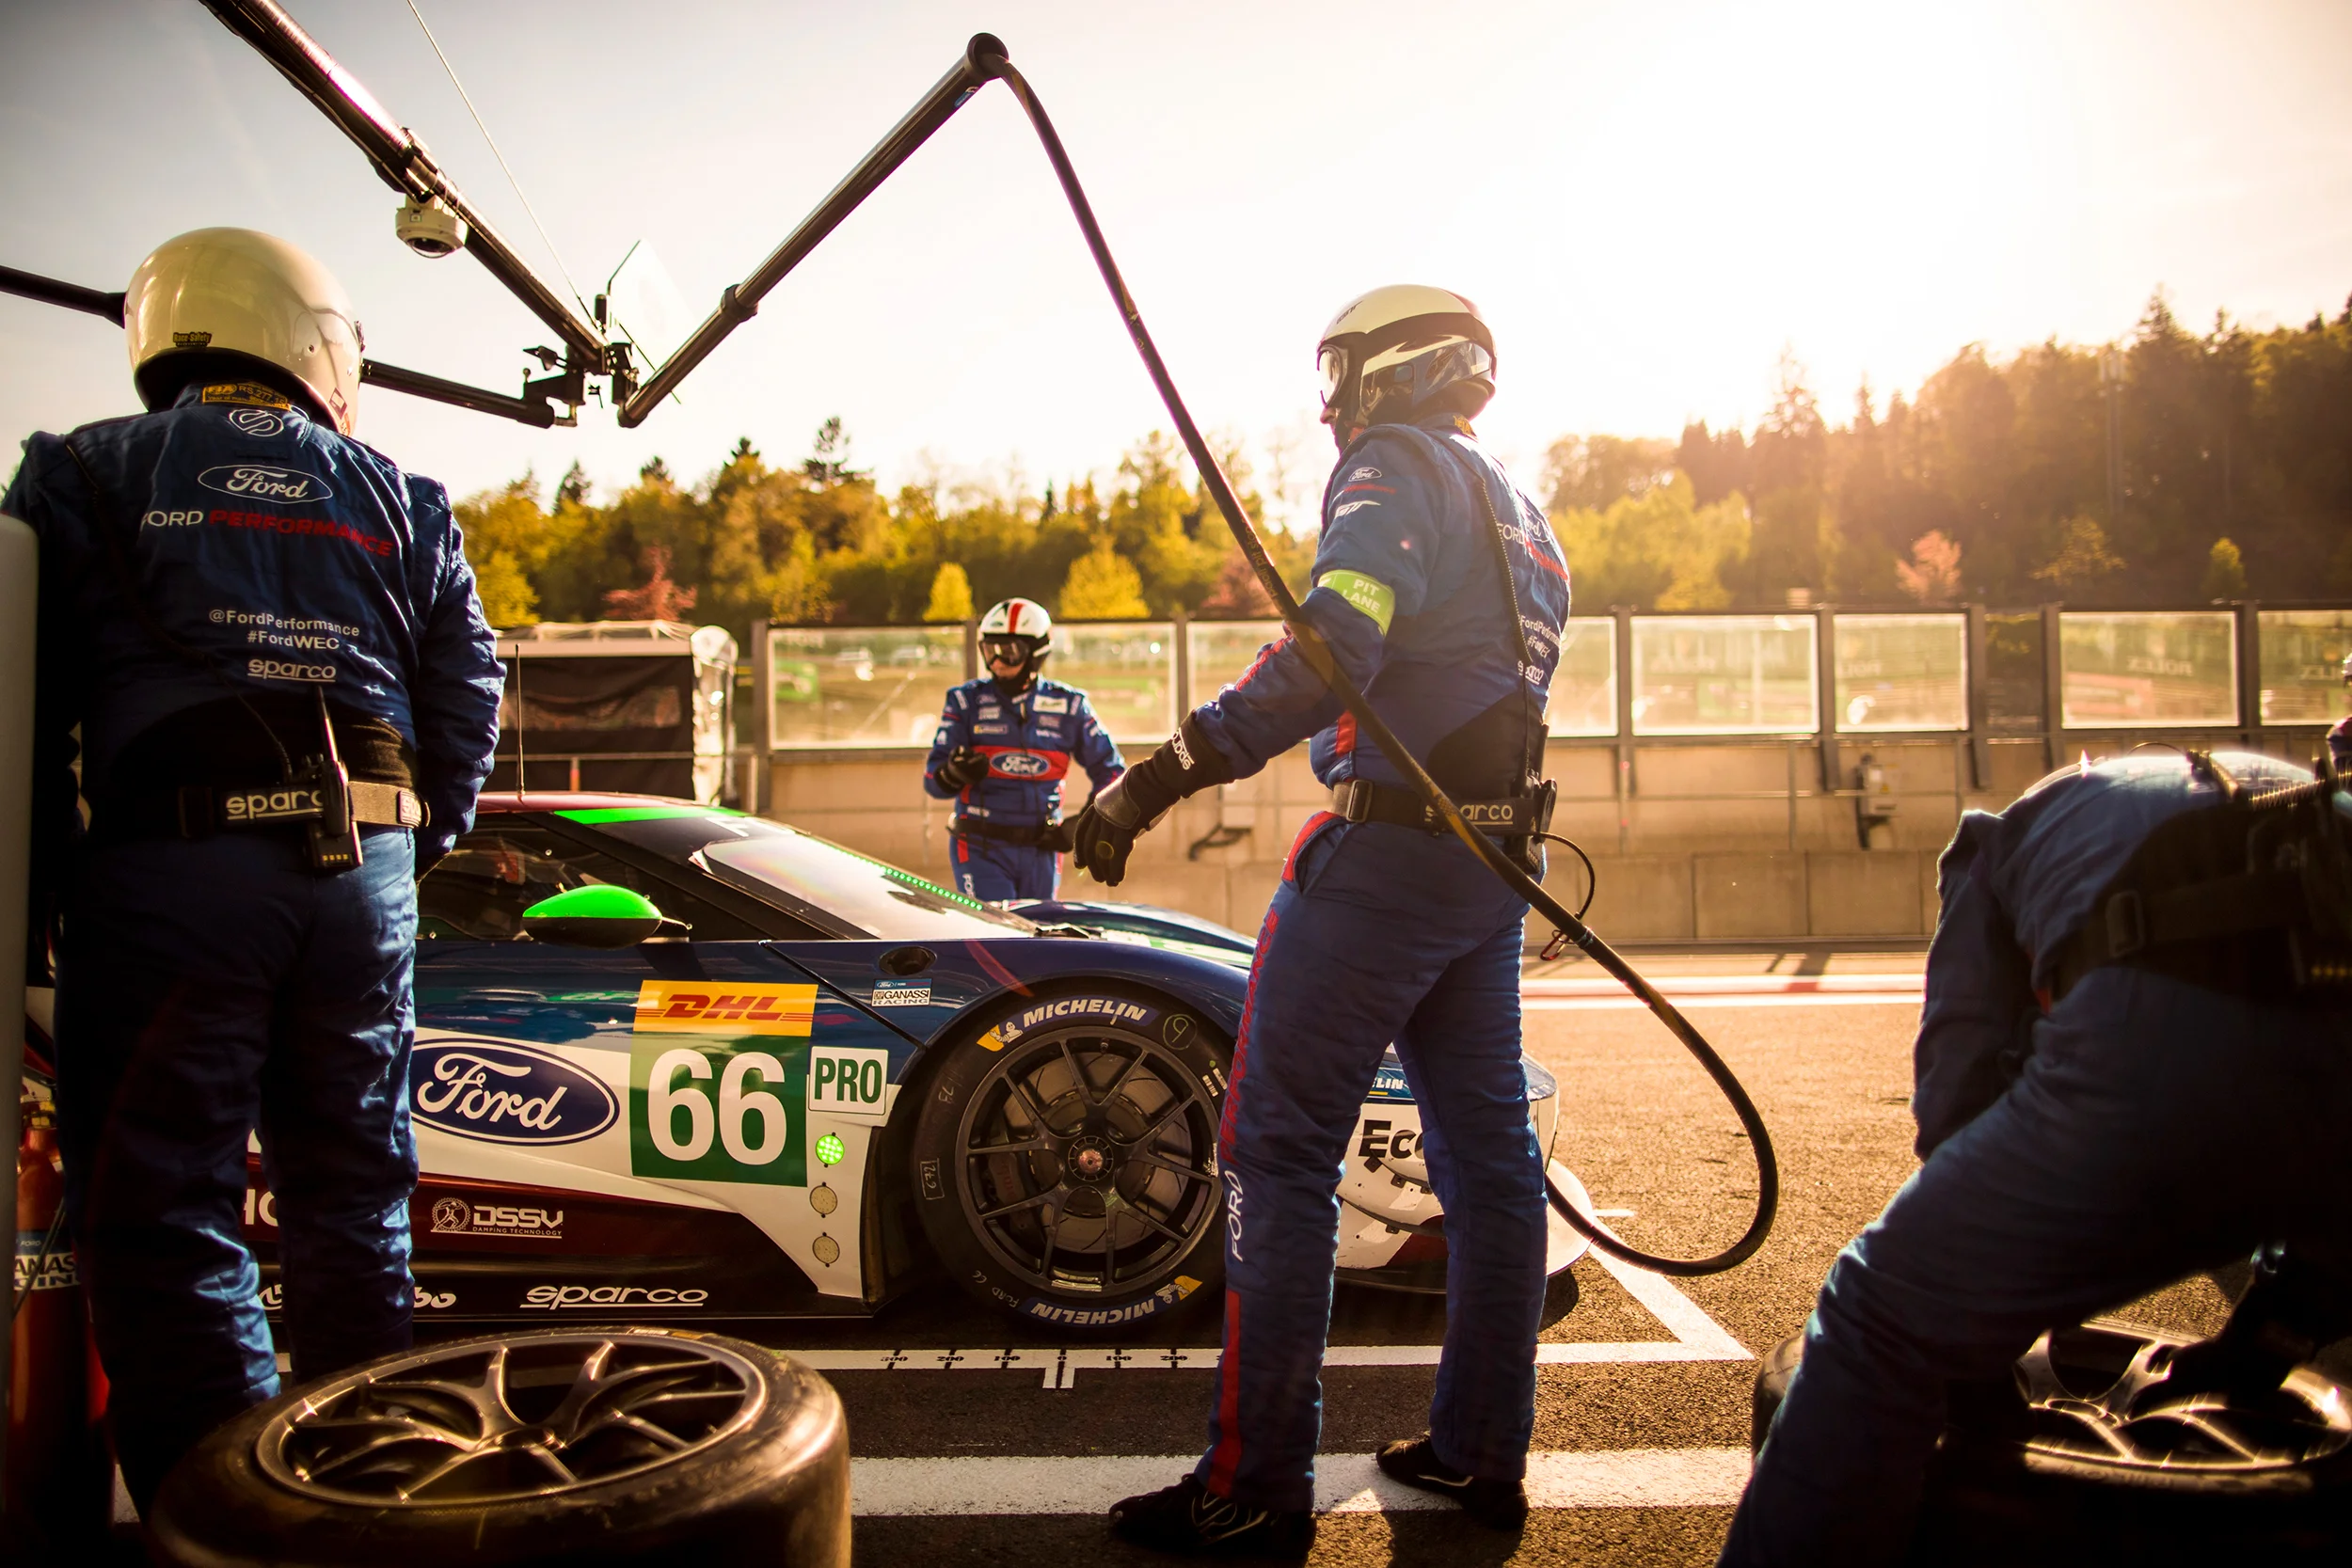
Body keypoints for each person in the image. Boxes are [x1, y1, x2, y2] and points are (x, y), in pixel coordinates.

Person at [7, 228, 504, 1509]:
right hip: (362, 880)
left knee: (169, 1213)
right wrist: (399, 846)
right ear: (314, 341)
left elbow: (19, 690)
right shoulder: (402, 491)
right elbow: (469, 691)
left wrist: (41, 905)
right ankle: (372, 1494)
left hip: (174, 873)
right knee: (353, 1203)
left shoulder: (79, 472)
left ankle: (226, 1522)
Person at [1071, 285, 1572, 1557]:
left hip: (1392, 854)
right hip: (1488, 861)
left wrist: (1160, 772)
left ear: (1395, 366)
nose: (1329, 395)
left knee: (1274, 1152)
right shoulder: (1518, 505)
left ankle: (1253, 1480)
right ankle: (1478, 1453)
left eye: (1340, 367)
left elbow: (1333, 642)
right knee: (1493, 1166)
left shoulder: (1392, 464)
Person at [1720, 748, 2352, 1565]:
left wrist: (1966, 1333)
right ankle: (2276, 1333)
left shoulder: (1991, 840)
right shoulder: (2289, 787)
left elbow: (1960, 1074)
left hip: (2158, 1036)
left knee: (1881, 1311)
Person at [922, 596, 1124, 901]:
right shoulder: (965, 701)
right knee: (995, 936)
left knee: (1034, 938)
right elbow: (932, 782)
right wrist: (954, 772)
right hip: (979, 846)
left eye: (1010, 651)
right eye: (990, 650)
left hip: (1042, 848)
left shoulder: (1070, 705)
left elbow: (1112, 772)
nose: (998, 662)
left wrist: (1084, 822)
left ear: (1036, 653)